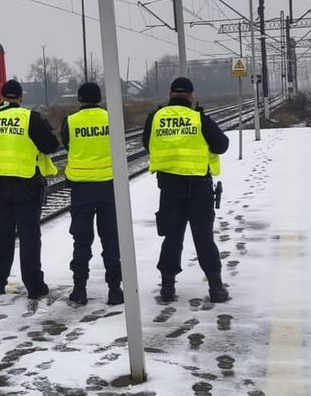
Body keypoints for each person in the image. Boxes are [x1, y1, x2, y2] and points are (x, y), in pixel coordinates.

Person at [0, 79, 60, 300]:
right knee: (29, 236)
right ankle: (35, 287)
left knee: (2, 236)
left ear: (1, 97)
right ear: (20, 98)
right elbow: (51, 145)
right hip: (26, 187)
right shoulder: (30, 118)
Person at [144, 76, 230, 303]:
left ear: (170, 94)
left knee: (172, 238)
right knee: (203, 238)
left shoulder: (155, 119)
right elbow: (222, 145)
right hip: (199, 189)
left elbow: (147, 143)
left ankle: (167, 288)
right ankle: (216, 289)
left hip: (169, 188)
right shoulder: (199, 119)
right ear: (191, 96)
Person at [61, 82, 123, 306]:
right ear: (99, 98)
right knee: (111, 239)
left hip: (81, 188)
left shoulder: (70, 121)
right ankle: (115, 290)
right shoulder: (111, 118)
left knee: (82, 240)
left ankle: (80, 289)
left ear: (79, 100)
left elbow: (67, 144)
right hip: (108, 186)